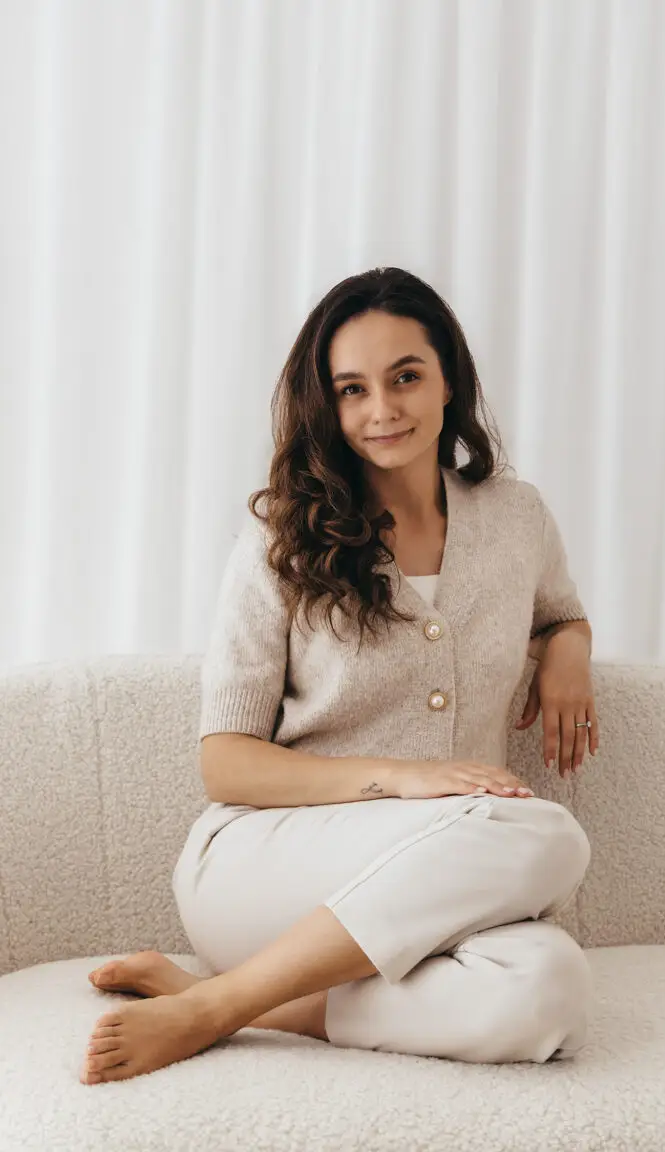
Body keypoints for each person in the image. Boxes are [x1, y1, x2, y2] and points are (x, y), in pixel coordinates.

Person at [80, 267, 600, 1085]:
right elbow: (226, 761)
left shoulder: (516, 516)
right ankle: (215, 1009)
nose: (382, 410)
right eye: (352, 389)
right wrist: (402, 777)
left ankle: (225, 999)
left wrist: (569, 649)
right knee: (545, 832)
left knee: (552, 987)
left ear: (450, 378)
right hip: (266, 865)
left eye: (405, 377)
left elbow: (557, 612)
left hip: (427, 879)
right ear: (328, 405)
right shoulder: (280, 542)